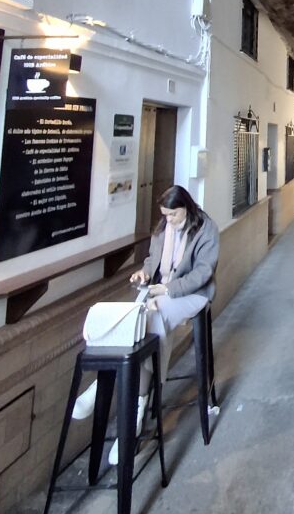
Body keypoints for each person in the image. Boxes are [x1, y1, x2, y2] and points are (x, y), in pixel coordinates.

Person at [73, 185, 219, 464]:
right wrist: (144, 273)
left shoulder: (205, 228)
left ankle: (131, 404)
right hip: (158, 292)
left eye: (173, 215)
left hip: (192, 295)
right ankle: (134, 404)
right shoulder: (163, 228)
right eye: (165, 215)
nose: (170, 220)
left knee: (153, 316)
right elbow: (154, 260)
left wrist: (167, 290)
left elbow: (203, 272)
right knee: (135, 317)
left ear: (186, 207)